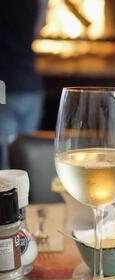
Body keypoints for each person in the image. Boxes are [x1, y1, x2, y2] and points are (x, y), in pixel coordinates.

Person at [0, 0, 48, 168]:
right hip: (31, 85)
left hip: (4, 84)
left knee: (4, 153)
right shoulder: (34, 3)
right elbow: (38, 28)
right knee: (26, 154)